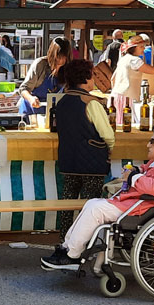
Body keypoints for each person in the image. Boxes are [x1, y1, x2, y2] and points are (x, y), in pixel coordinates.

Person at [41, 127, 154, 270]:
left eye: (152, 142)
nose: (147, 145)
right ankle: (67, 248)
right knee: (92, 203)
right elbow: (149, 170)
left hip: (148, 207)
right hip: (142, 203)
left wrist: (133, 177)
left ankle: (72, 254)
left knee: (95, 210)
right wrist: (137, 170)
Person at [52, 59, 115, 240]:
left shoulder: (62, 102)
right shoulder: (91, 102)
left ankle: (65, 238)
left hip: (68, 161)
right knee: (89, 205)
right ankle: (84, 241)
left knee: (68, 203)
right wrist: (109, 150)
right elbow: (108, 135)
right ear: (86, 78)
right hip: (92, 162)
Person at [110, 35, 154, 125]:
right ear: (134, 48)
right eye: (141, 47)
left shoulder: (123, 59)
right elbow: (153, 71)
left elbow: (112, 79)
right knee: (126, 124)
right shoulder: (135, 61)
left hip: (117, 95)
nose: (143, 49)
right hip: (126, 97)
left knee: (118, 123)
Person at [18, 37, 72, 121]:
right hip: (31, 113)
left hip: (51, 114)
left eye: (64, 57)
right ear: (52, 53)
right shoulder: (40, 64)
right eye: (58, 56)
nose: (60, 60)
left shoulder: (67, 69)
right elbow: (23, 89)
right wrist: (31, 98)